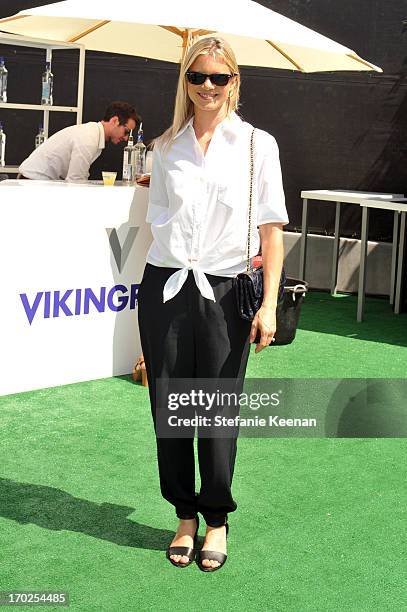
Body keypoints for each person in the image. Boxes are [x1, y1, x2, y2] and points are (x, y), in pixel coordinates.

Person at [137, 36, 289, 572]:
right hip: (164, 286)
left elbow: (272, 230)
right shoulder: (166, 146)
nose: (206, 87)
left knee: (218, 411)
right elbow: (155, 225)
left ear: (235, 83)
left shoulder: (256, 146)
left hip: (226, 294)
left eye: (218, 78)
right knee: (170, 409)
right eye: (196, 77)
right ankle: (183, 514)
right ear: (185, 82)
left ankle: (217, 519)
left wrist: (268, 304)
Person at [18, 101, 139, 181]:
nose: (126, 138)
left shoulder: (93, 134)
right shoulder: (89, 137)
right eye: (126, 131)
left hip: (36, 181)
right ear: (114, 121)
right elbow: (75, 180)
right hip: (32, 183)